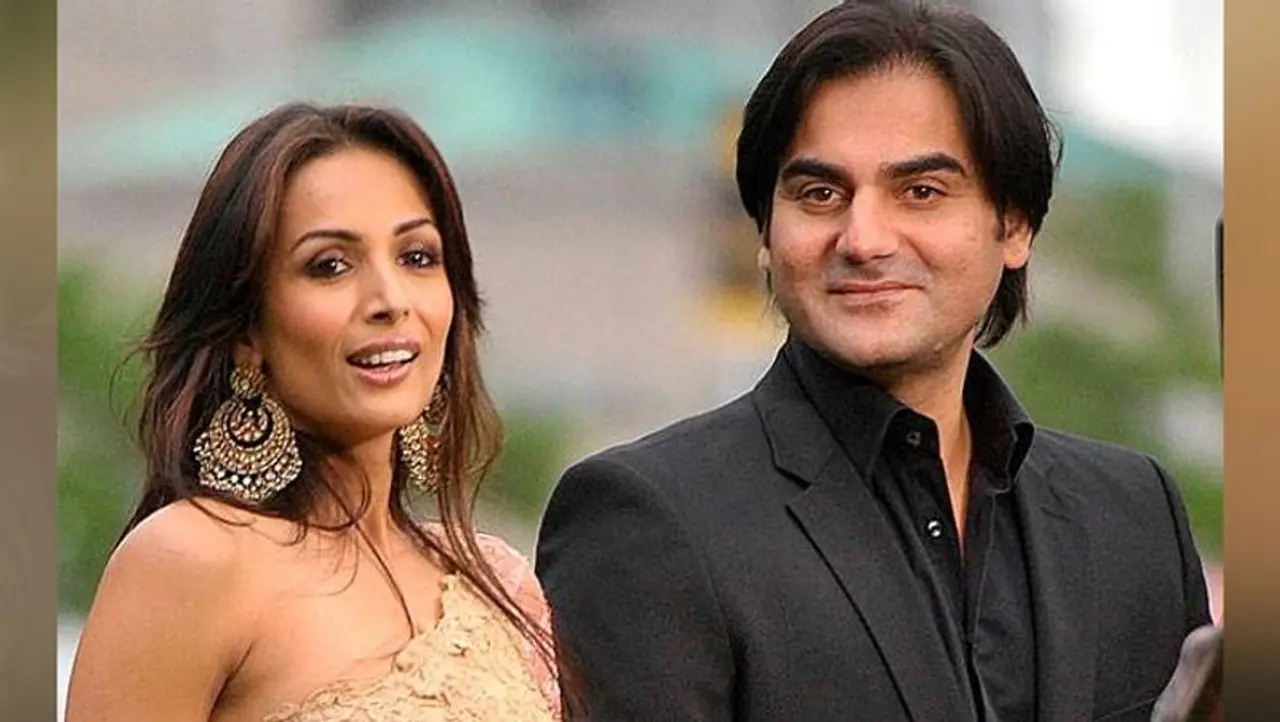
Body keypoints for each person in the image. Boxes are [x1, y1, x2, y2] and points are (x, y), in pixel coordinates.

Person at [535, 2, 1213, 720]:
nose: (863, 239)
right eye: (820, 194)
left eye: (920, 192)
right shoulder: (647, 520)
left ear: (1015, 225)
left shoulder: (1133, 514)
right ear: (765, 232)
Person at [65, 103, 564, 721]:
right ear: (246, 331)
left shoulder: (499, 585)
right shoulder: (192, 560)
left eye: (417, 257)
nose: (390, 300)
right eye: (330, 266)